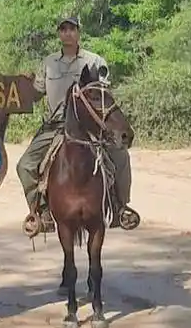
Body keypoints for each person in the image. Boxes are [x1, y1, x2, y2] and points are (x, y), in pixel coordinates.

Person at [15, 15, 135, 235]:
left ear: (79, 32)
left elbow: (103, 94)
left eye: (72, 29)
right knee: (25, 165)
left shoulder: (95, 61)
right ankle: (40, 213)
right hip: (55, 125)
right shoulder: (49, 62)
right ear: (59, 33)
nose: (67, 33)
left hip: (89, 126)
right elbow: (35, 93)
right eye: (63, 29)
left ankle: (120, 208)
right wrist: (23, 84)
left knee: (121, 157)